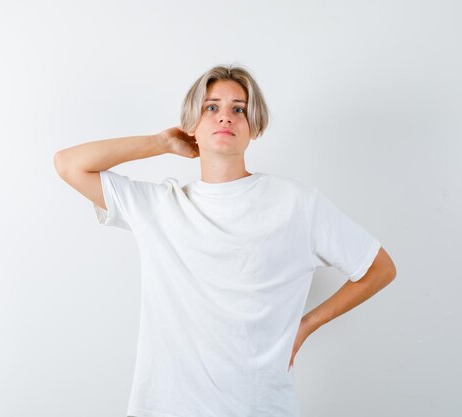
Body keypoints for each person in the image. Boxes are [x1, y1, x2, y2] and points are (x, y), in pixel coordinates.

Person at [53, 64, 397, 417]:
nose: (225, 118)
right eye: (211, 107)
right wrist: (161, 143)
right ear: (193, 125)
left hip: (261, 407)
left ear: (254, 126)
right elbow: (69, 164)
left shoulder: (296, 203)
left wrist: (306, 326)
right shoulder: (158, 206)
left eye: (239, 109)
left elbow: (379, 268)